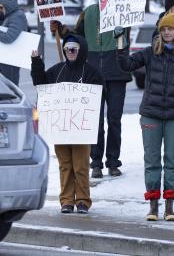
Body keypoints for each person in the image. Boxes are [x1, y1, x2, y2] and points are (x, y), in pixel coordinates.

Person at [115, 13, 174, 221]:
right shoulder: (150, 53)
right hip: (151, 115)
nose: (167, 32)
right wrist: (120, 42)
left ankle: (169, 207)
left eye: (170, 29)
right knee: (152, 160)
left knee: (172, 160)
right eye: (163, 29)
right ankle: (153, 206)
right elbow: (126, 64)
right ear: (160, 32)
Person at [51, 0, 130, 178]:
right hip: (93, 74)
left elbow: (124, 41)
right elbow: (76, 36)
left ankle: (113, 161)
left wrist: (121, 29)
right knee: (95, 121)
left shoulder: (124, 12)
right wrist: (60, 29)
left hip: (117, 73)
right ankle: (96, 162)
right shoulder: (88, 12)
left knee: (114, 119)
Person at [30, 35, 103, 214]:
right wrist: (36, 62)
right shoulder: (57, 70)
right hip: (60, 128)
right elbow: (40, 83)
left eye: (74, 48)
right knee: (65, 165)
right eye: (67, 48)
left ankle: (83, 201)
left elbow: (98, 99)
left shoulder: (92, 72)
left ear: (81, 50)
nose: (70, 51)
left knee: (81, 165)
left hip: (81, 129)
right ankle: (67, 201)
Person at [0, 0, 29, 85]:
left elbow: (9, 37)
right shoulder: (10, 16)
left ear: (7, 5)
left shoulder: (17, 16)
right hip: (7, 58)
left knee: (11, 86)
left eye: (1, 7)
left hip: (11, 60)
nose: (1, 10)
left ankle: (16, 100)